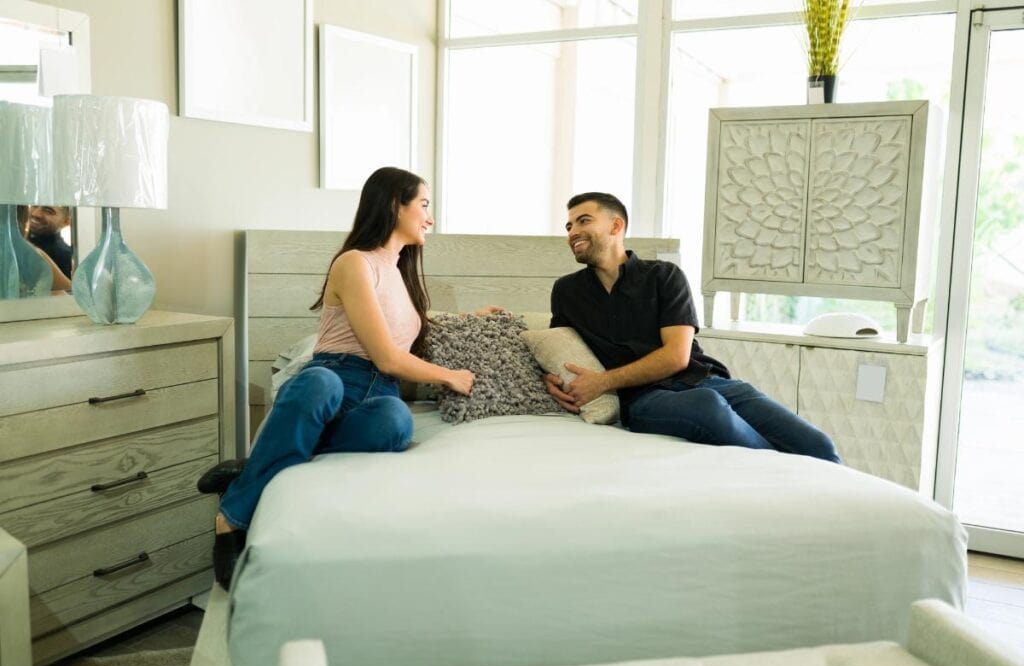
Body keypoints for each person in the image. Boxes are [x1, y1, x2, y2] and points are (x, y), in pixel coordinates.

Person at [209, 167, 484, 590]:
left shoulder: (400, 274)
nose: (430, 217)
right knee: (321, 384)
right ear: (395, 205)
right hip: (336, 380)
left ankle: (261, 461)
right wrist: (450, 376)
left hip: (379, 395)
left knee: (396, 420)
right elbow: (387, 356)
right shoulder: (354, 263)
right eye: (424, 205)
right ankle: (232, 516)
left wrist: (475, 320)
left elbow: (407, 329)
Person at [544, 191, 841, 464]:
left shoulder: (664, 276)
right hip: (642, 399)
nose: (573, 232)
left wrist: (602, 381)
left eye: (583, 221)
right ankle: (790, 477)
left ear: (615, 225)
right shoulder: (567, 291)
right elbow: (556, 347)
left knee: (818, 446)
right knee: (707, 407)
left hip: (705, 379)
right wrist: (551, 380)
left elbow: (677, 356)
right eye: (569, 226)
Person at [27, 205, 73, 278]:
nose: (35, 214)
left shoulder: (65, 257)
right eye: (34, 206)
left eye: (48, 211)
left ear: (66, 221)